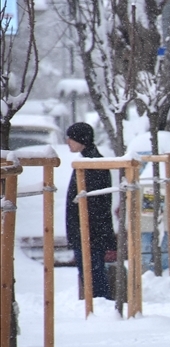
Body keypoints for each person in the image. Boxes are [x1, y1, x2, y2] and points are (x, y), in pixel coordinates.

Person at [64, 122, 117, 301]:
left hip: (89, 233)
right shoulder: (87, 161)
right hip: (87, 232)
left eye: (71, 137)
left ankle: (99, 308)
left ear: (81, 139)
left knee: (93, 277)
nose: (67, 141)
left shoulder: (92, 164)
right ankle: (98, 305)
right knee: (92, 275)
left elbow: (98, 205)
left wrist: (98, 236)